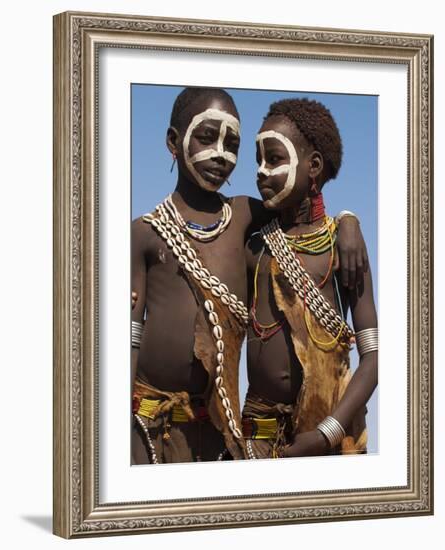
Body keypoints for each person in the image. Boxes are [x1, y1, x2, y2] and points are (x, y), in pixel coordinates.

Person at [131, 87, 368, 464]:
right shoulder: (146, 232)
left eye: (232, 144)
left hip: (218, 431)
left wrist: (349, 221)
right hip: (147, 427)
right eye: (207, 137)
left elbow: (303, 208)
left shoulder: (242, 217)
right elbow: (125, 339)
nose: (221, 155)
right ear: (174, 142)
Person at [242, 98, 377, 459]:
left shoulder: (342, 248)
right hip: (257, 436)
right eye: (258, 160)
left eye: (274, 159)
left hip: (329, 436)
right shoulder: (254, 246)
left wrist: (325, 434)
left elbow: (374, 358)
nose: (260, 170)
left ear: (313, 165)